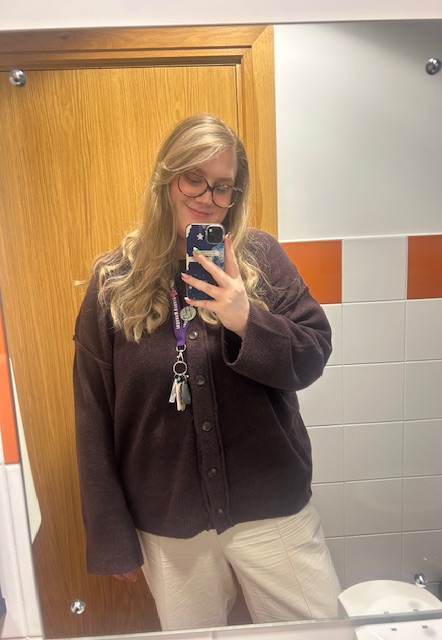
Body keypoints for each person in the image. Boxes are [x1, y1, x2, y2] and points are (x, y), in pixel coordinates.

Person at [73, 113, 341, 630]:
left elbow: (312, 355)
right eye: (193, 178)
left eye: (222, 186)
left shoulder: (262, 257)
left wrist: (245, 317)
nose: (207, 197)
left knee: (317, 631)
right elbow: (92, 413)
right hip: (169, 523)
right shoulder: (114, 281)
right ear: (166, 177)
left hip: (273, 507)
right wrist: (110, 534)